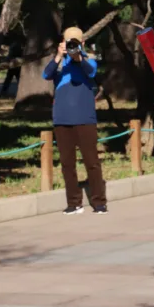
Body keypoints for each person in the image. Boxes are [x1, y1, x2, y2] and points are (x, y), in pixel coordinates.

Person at [43, 27, 107, 215]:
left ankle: (99, 202)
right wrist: (58, 56)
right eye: (68, 42)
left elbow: (91, 72)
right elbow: (46, 75)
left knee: (92, 162)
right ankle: (74, 203)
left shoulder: (89, 60)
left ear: (82, 43)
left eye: (75, 42)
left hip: (85, 118)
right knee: (67, 164)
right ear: (62, 43)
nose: (71, 46)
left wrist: (78, 56)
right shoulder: (60, 63)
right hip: (62, 118)